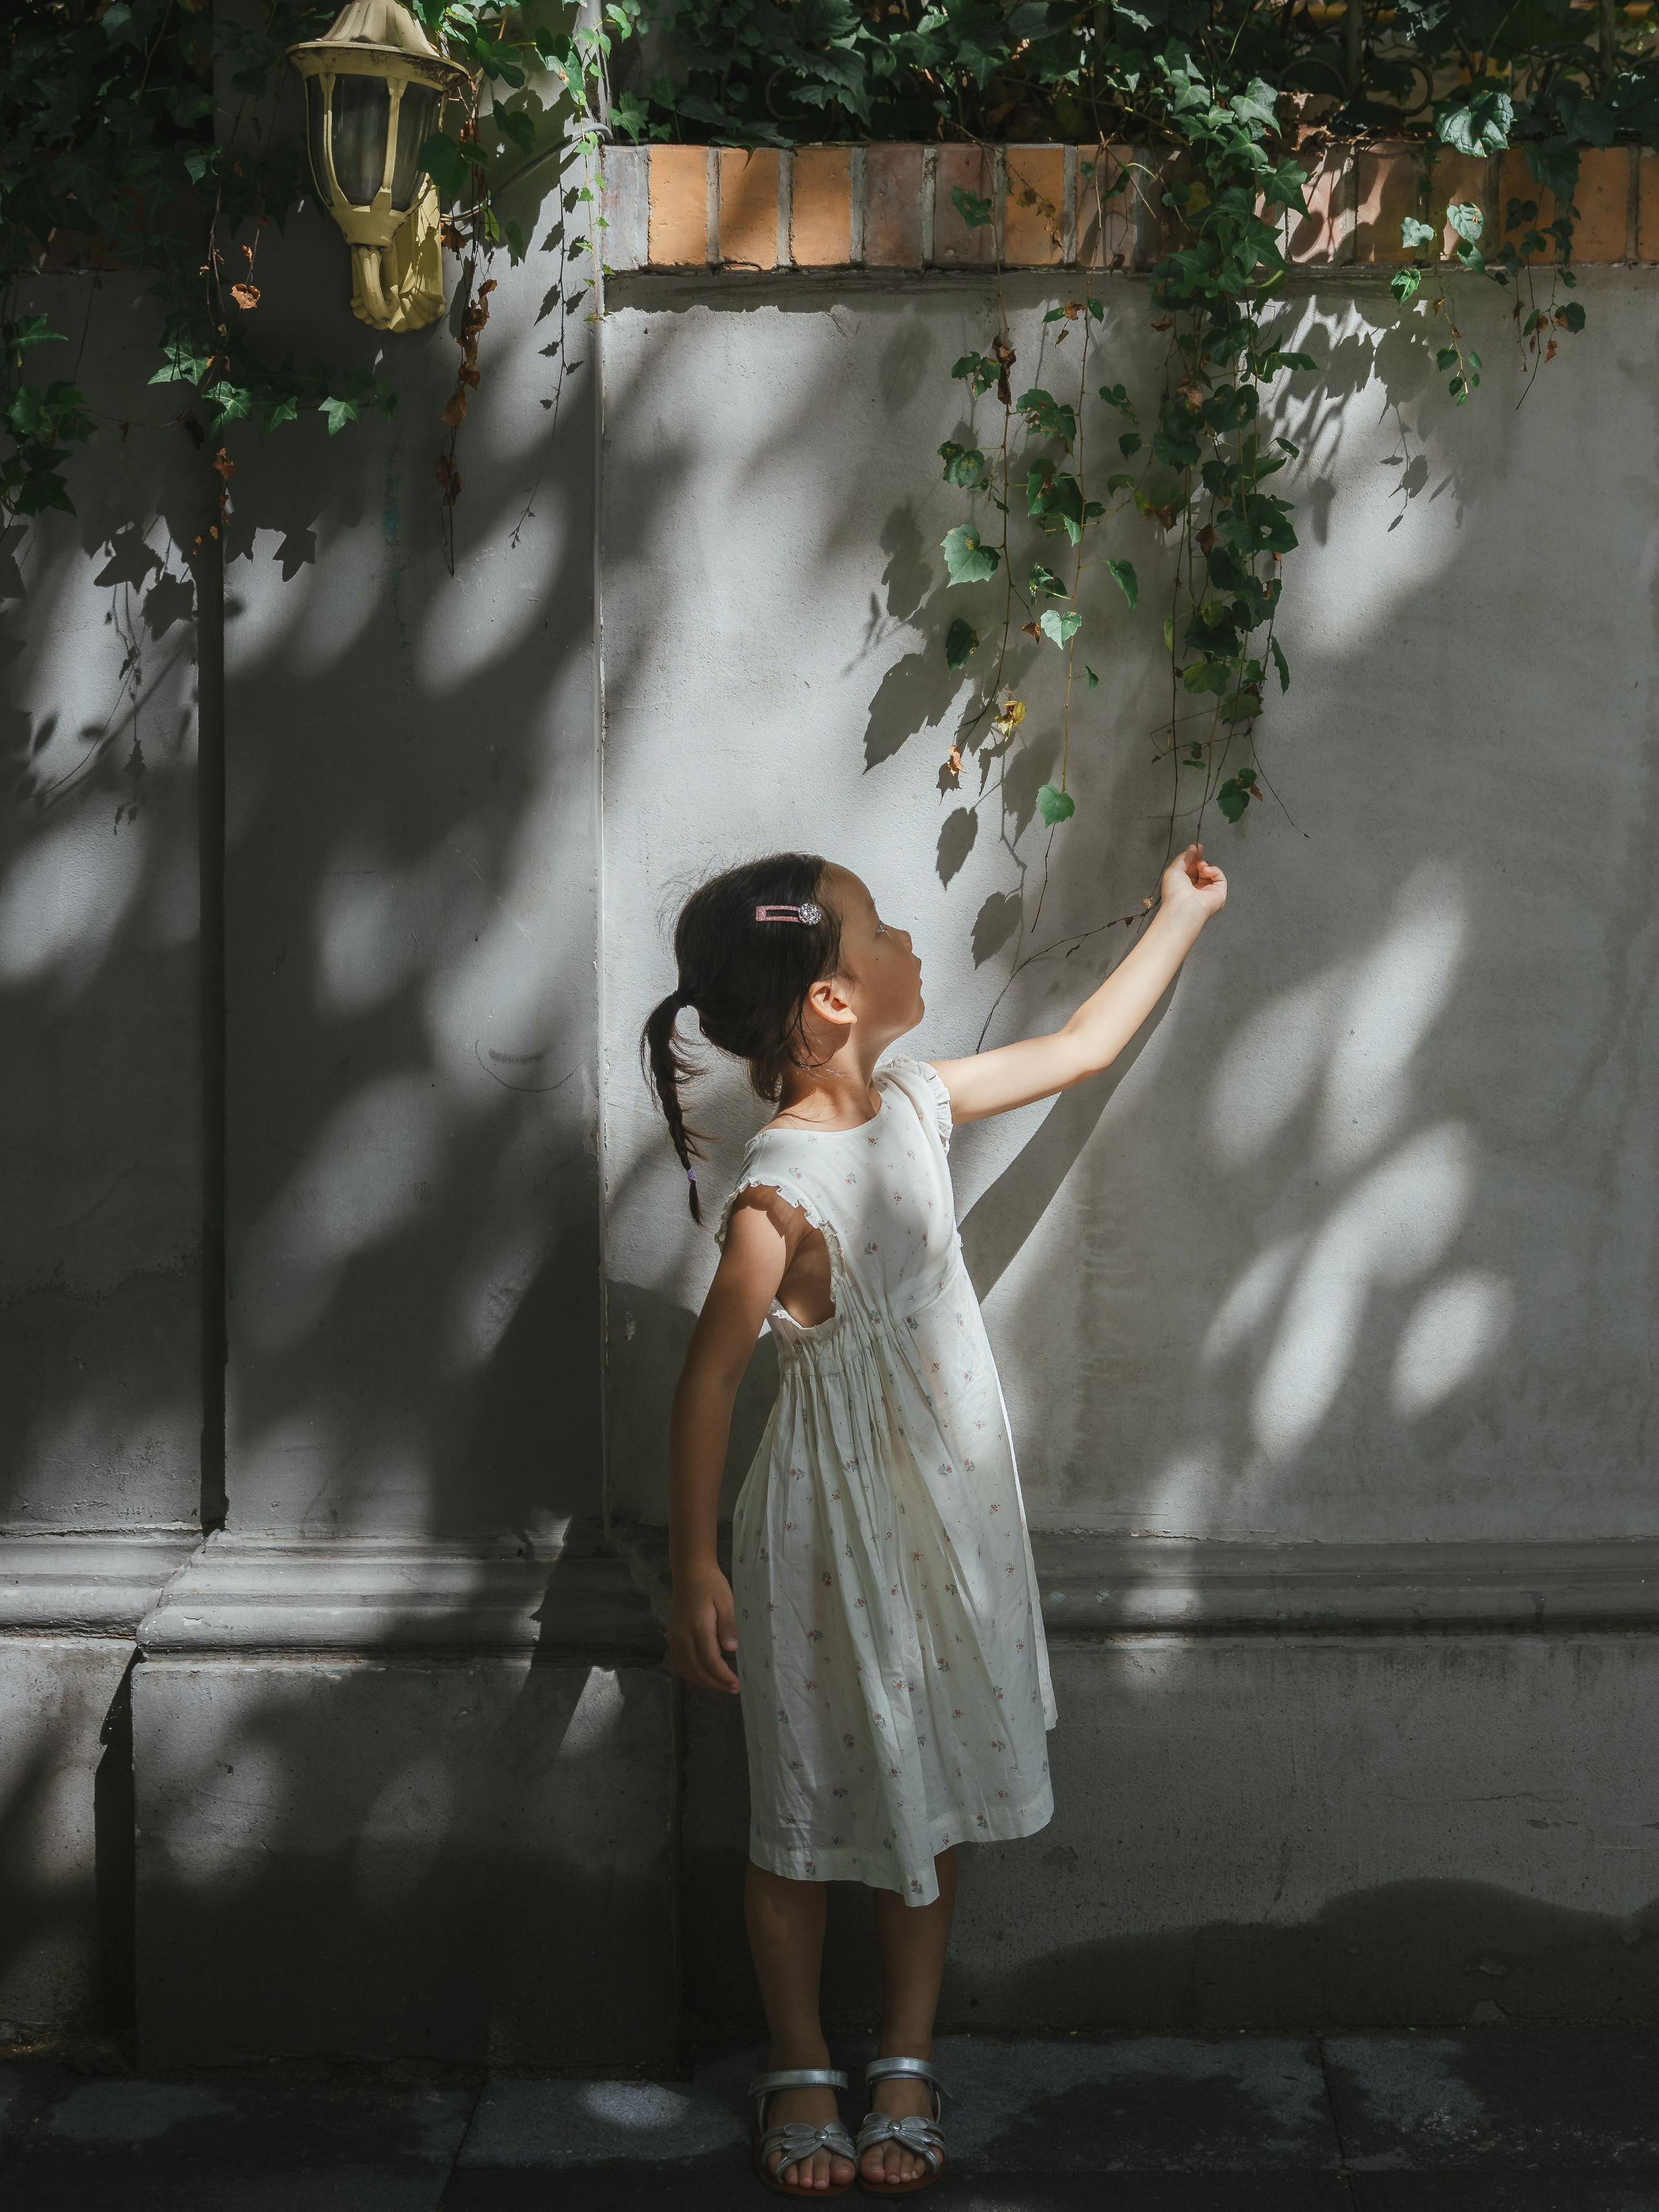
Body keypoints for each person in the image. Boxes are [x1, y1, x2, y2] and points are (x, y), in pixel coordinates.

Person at [642, 844, 1227, 2196]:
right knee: (795, 1809)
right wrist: (691, 1562)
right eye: (885, 929)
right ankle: (798, 2057)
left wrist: (1180, 913)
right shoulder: (775, 1196)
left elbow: (1078, 1049)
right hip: (820, 1539)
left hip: (945, 1525)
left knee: (931, 1784)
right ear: (834, 999)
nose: (913, 940)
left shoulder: (915, 1104)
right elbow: (709, 1381)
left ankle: (903, 2050)